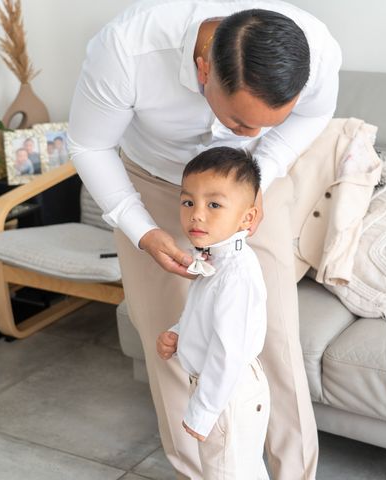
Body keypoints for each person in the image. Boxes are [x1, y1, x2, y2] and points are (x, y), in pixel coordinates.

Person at [68, 1, 341, 478]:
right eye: (239, 122)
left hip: (253, 181)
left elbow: (313, 117)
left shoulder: (316, 49)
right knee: (172, 346)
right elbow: (89, 144)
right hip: (153, 182)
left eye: (265, 122)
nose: (249, 132)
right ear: (202, 71)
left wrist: (257, 179)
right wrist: (142, 230)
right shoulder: (125, 51)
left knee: (273, 336)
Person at [158, 147, 269, 479]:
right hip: (224, 387)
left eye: (214, 205)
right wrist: (180, 332)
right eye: (188, 202)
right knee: (241, 470)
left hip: (227, 393)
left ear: (247, 218)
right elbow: (207, 318)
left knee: (225, 472)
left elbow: (227, 352)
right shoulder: (217, 260)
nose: (197, 215)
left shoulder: (235, 275)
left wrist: (204, 411)